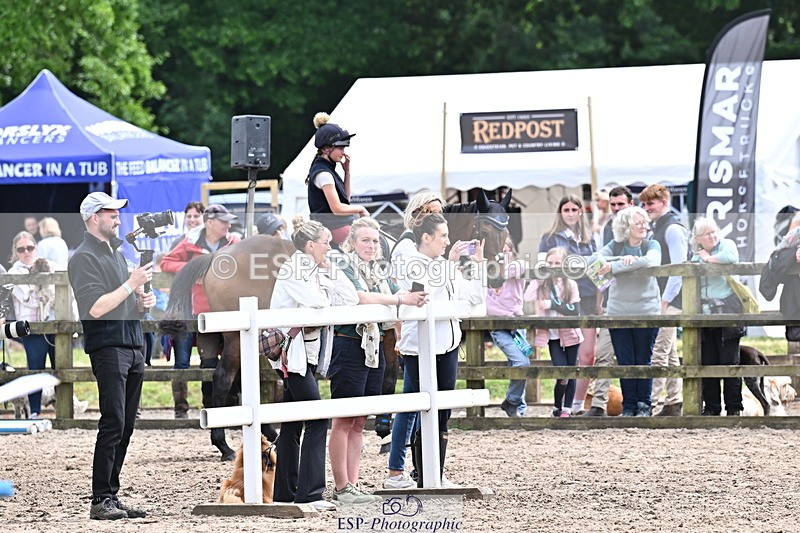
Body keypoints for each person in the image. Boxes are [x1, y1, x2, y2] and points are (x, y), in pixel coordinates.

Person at [68, 191, 155, 520]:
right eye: (111, 214)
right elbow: (95, 307)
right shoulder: (82, 258)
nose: (118, 219)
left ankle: (111, 496)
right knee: (113, 421)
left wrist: (139, 304)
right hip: (109, 347)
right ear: (94, 218)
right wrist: (131, 283)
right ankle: (100, 498)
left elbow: (121, 305)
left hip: (132, 344)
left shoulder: (116, 254)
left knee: (126, 424)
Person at [328, 217, 426, 504]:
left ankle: (353, 484)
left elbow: (397, 291)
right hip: (348, 345)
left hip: (374, 345)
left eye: (374, 240)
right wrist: (400, 301)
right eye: (365, 240)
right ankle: (342, 486)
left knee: (360, 419)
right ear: (353, 242)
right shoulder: (343, 264)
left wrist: (411, 297)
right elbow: (360, 297)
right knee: (344, 418)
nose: (371, 245)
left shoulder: (381, 269)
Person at [384, 190, 473, 489]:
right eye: (432, 211)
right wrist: (449, 262)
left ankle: (419, 470)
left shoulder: (430, 251)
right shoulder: (407, 247)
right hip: (419, 337)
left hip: (439, 337)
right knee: (412, 404)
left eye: (440, 211)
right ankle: (400, 469)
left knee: (421, 405)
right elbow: (422, 283)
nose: (438, 216)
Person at [269, 215, 357, 511]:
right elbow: (317, 303)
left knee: (293, 422)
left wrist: (332, 271)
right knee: (317, 419)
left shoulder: (315, 267)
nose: (329, 247)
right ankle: (310, 494)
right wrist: (324, 288)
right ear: (309, 245)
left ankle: (286, 491)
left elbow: (351, 298)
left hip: (304, 354)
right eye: (325, 243)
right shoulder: (295, 268)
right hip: (292, 354)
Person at [397, 211, 485, 488]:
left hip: (447, 344)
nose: (448, 241)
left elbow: (474, 296)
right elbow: (425, 294)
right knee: (423, 406)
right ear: (426, 237)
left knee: (443, 410)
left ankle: (436, 472)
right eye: (443, 236)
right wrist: (450, 264)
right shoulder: (414, 263)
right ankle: (421, 473)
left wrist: (478, 265)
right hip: (421, 347)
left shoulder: (445, 266)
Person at [161, 204, 239, 421]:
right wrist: (192, 269)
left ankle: (230, 408)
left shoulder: (235, 243)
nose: (228, 225)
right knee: (208, 363)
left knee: (234, 361)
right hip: (203, 312)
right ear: (210, 223)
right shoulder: (189, 244)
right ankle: (209, 409)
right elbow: (166, 263)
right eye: (223, 221)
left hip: (231, 312)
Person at [594, 206, 661, 416]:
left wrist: (615, 267)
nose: (644, 226)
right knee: (625, 361)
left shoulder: (652, 244)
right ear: (626, 226)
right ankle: (629, 406)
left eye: (645, 222)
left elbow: (651, 261)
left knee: (643, 360)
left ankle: (644, 405)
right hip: (618, 312)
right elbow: (593, 262)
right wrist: (621, 261)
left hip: (647, 311)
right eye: (638, 223)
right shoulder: (614, 246)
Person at [539, 194, 598, 415]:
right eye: (567, 210)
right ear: (560, 213)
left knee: (587, 355)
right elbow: (542, 268)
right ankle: (562, 405)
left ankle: (577, 404)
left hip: (588, 297)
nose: (571, 214)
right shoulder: (549, 238)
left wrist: (601, 298)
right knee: (565, 357)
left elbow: (598, 269)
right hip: (561, 299)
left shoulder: (589, 239)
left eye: (575, 209)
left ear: (580, 212)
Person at [584, 185, 634, 417]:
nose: (615, 208)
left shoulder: (642, 229)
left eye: (620, 204)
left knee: (634, 356)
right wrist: (602, 294)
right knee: (603, 353)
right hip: (612, 300)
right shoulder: (607, 230)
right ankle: (598, 404)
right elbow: (598, 264)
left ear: (630, 204)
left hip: (637, 302)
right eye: (613, 204)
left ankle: (636, 404)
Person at [639, 184, 687, 417]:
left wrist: (666, 300)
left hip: (672, 298)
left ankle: (651, 403)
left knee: (658, 350)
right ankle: (674, 401)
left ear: (663, 202)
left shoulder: (673, 229)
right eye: (645, 204)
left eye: (651, 203)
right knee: (669, 353)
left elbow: (678, 268)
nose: (647, 208)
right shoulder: (659, 227)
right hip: (665, 297)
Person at [690, 217, 744, 416]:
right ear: (698, 238)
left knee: (729, 362)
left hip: (728, 310)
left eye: (714, 231)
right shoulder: (696, 253)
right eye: (707, 234)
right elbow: (690, 265)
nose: (712, 236)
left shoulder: (727, 244)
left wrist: (707, 259)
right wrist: (701, 257)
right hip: (704, 312)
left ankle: (734, 408)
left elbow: (730, 257)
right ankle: (711, 408)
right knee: (707, 361)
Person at [8, 232, 62, 419]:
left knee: (60, 368)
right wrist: (42, 289)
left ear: (35, 248)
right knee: (35, 369)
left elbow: (61, 291)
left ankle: (64, 410)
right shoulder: (14, 273)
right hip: (31, 327)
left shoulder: (51, 265)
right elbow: (30, 300)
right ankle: (35, 412)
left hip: (55, 324)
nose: (26, 252)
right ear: (15, 252)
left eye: (29, 247)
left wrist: (42, 291)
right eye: (21, 249)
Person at [525, 247, 583, 417]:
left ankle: (567, 408)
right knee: (561, 371)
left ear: (564, 265)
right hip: (553, 336)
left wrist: (552, 304)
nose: (553, 266)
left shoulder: (570, 284)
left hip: (570, 333)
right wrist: (537, 278)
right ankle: (558, 406)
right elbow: (527, 298)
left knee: (571, 370)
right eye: (550, 263)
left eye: (557, 263)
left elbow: (575, 310)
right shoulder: (543, 284)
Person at [306, 112, 369, 246]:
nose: (343, 152)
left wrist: (347, 172)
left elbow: (346, 198)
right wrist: (361, 209)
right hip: (334, 229)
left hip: (338, 226)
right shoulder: (323, 174)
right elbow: (337, 209)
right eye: (340, 148)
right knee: (370, 244)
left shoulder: (329, 171)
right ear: (326, 149)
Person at [487, 238, 530, 418]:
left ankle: (519, 408)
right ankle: (512, 401)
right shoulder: (488, 273)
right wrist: (507, 311)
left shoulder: (517, 267)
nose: (503, 255)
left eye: (506, 251)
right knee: (521, 363)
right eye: (499, 252)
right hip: (499, 327)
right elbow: (487, 307)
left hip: (517, 325)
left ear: (512, 252)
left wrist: (502, 269)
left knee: (518, 363)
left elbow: (520, 267)